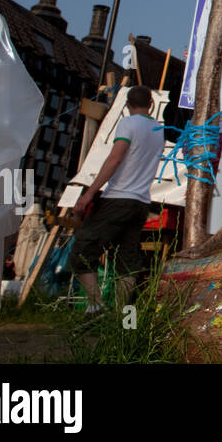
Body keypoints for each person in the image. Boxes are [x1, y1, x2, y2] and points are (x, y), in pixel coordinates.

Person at [69, 85, 163, 314]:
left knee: (83, 250)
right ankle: (122, 315)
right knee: (128, 259)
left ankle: (95, 305)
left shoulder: (128, 123)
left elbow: (115, 158)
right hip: (141, 202)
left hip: (118, 197)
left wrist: (90, 192)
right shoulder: (158, 129)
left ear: (127, 105)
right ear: (151, 104)